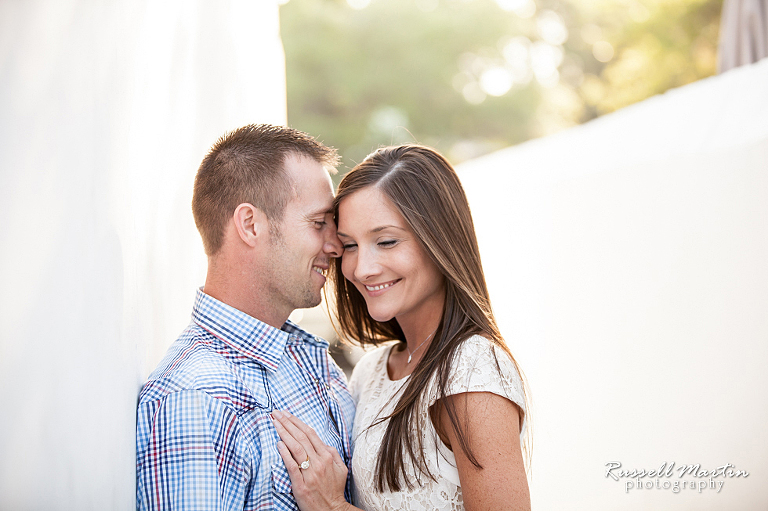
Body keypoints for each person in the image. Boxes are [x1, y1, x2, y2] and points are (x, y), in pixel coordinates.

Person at [272, 144, 531, 510]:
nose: (362, 269)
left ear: (440, 238)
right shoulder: (371, 372)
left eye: (386, 241)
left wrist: (333, 507)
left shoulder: (472, 369)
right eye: (349, 246)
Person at [136, 124, 355, 510]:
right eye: (319, 223)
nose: (336, 244)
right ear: (250, 225)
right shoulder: (195, 403)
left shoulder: (308, 359)